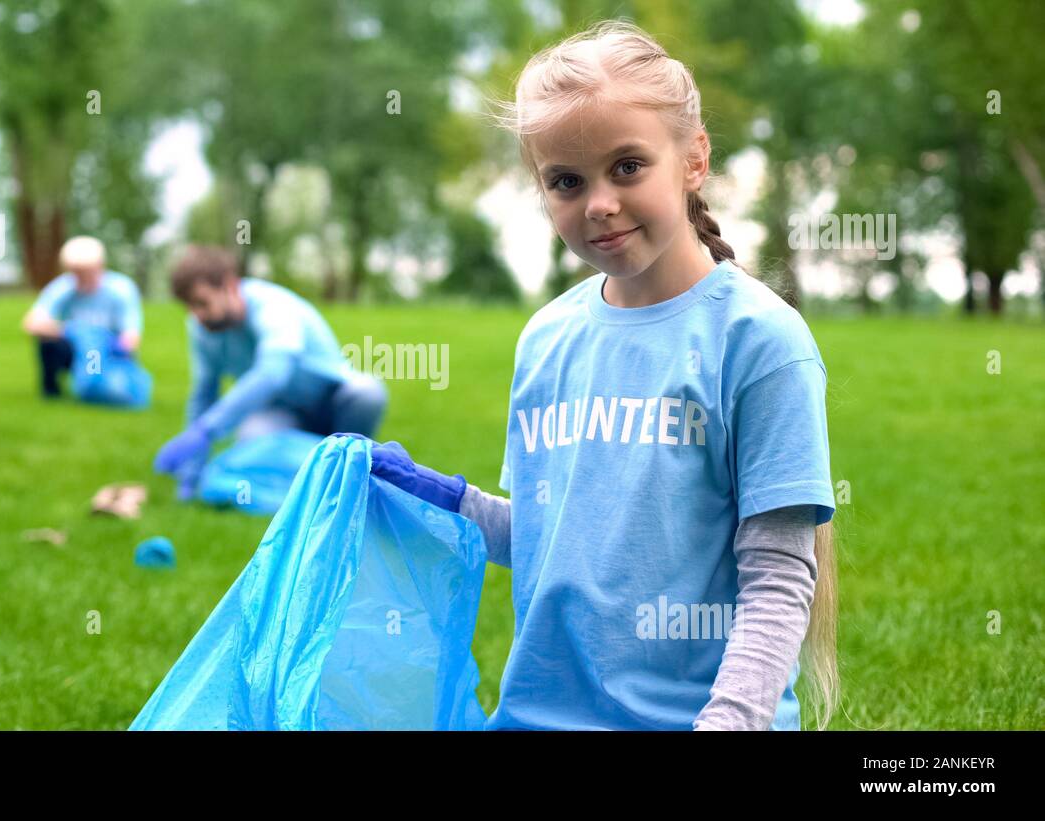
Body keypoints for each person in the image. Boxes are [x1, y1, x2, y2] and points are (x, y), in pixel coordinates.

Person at [347, 21, 838, 731]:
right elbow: (551, 535)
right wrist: (441, 502)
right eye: (566, 181)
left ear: (694, 157)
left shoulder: (759, 341)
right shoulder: (546, 338)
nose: (598, 203)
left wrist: (728, 723)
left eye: (628, 167)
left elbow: (778, 578)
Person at [154, 245, 388, 498]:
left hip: (333, 403)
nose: (197, 315)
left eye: (202, 303)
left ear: (230, 285)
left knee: (367, 393)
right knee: (252, 436)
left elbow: (273, 373)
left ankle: (352, 468)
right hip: (281, 413)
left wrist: (207, 429)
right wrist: (191, 472)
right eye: (189, 307)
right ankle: (314, 480)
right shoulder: (203, 330)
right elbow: (204, 393)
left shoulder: (273, 306)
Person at [21, 236, 143, 399]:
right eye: (76, 273)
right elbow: (31, 323)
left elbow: (132, 336)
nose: (81, 278)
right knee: (48, 343)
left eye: (86, 272)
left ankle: (97, 387)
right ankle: (51, 392)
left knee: (98, 376)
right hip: (75, 350)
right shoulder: (64, 288)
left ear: (100, 266)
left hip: (107, 352)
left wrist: (111, 344)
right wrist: (71, 330)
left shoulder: (121, 289)